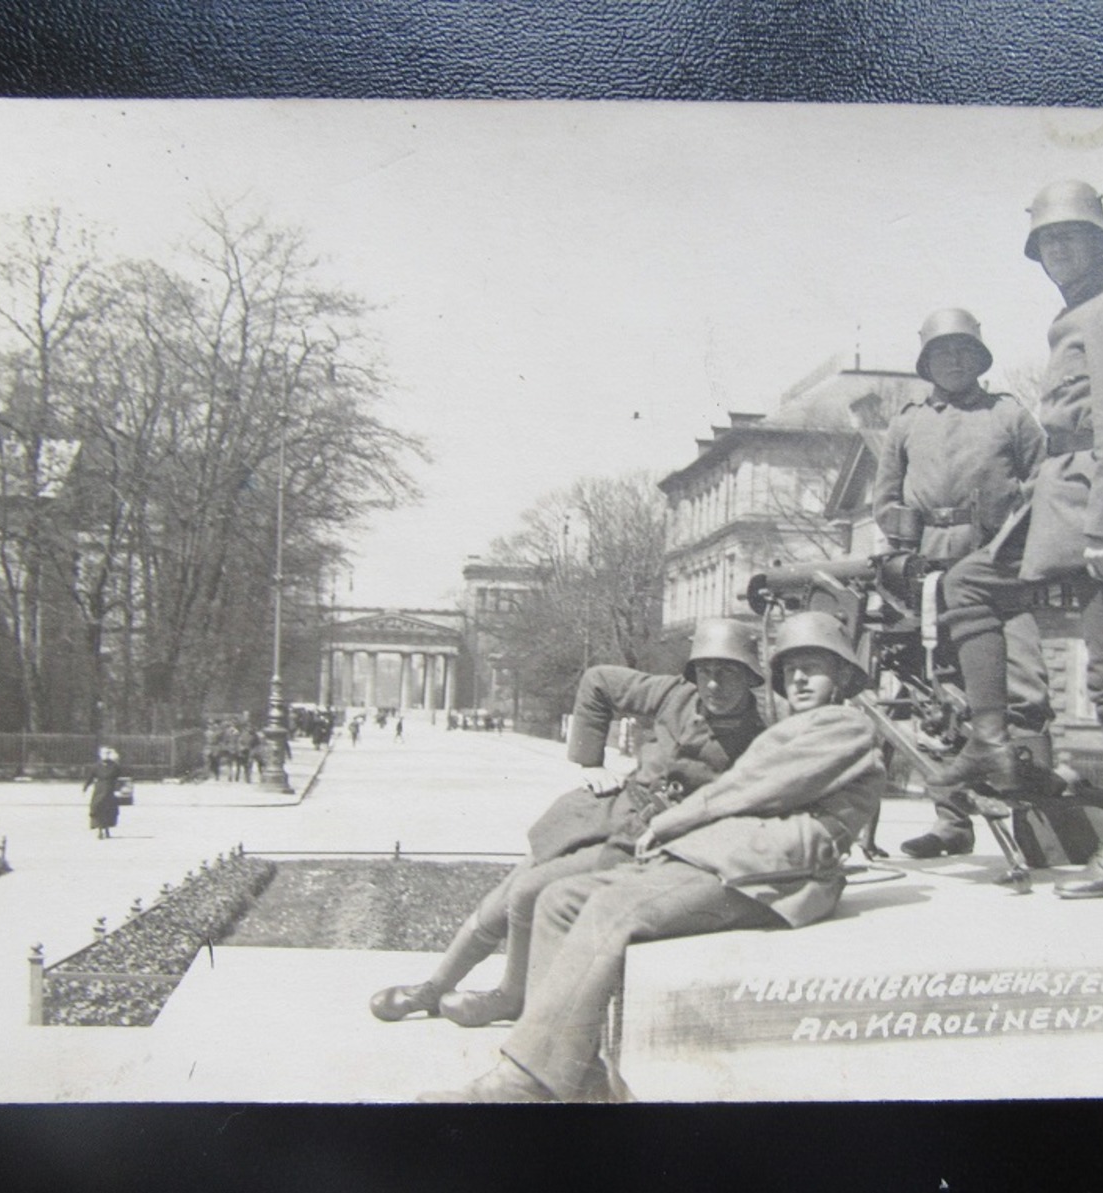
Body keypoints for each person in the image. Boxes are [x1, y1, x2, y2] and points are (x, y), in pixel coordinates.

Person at [419, 611, 886, 1103]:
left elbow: (757, 786)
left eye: (814, 667)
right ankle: (578, 1075)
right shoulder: (786, 728)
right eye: (790, 668)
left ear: (844, 676)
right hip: (722, 857)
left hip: (774, 873)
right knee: (560, 899)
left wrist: (672, 822)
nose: (798, 678)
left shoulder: (844, 726)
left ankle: (524, 1083)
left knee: (610, 911)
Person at [935, 179, 1103, 898]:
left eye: (1070, 237)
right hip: (1060, 498)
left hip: (1100, 505)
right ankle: (989, 743)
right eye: (1046, 242)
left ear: (1100, 242)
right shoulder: (1077, 313)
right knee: (966, 584)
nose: (1057, 251)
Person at [369, 617, 770, 1027]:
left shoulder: (762, 738)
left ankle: (512, 996)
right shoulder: (674, 694)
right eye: (706, 672)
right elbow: (598, 681)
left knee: (528, 892)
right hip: (607, 811)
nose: (714, 686)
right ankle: (433, 989)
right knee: (503, 895)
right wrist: (590, 760)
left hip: (647, 845)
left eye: (728, 673)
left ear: (750, 676)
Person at [871, 307, 1052, 859]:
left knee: (1023, 682)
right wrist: (904, 527)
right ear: (926, 363)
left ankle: (1040, 829)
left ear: (978, 358)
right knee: (938, 689)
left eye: (962, 351)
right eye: (941, 352)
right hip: (930, 570)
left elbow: (1046, 481)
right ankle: (952, 820)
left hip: (1001, 565)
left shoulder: (1010, 416)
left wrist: (1016, 531)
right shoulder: (906, 423)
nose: (952, 360)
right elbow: (884, 500)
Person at [81, 747, 122, 840]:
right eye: (103, 753)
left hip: (110, 790)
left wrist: (118, 790)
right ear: (100, 754)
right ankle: (99, 830)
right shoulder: (96, 766)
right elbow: (90, 778)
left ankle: (107, 830)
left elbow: (119, 779)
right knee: (97, 808)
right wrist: (85, 788)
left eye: (107, 753)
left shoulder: (115, 766)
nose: (105, 755)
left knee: (109, 810)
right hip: (99, 790)